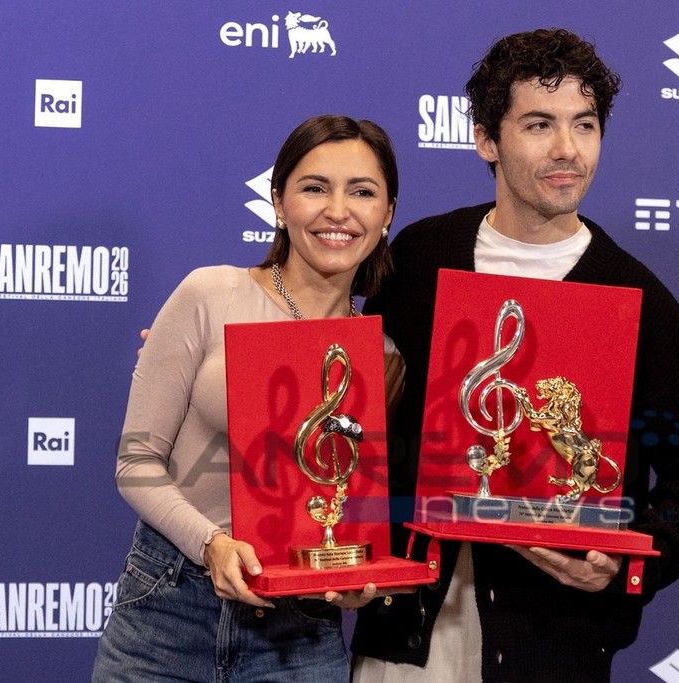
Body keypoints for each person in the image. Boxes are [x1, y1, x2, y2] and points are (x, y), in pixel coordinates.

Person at [349, 29, 679, 682]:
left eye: (584, 125)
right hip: (405, 637)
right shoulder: (420, 258)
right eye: (539, 124)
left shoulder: (635, 296)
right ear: (486, 139)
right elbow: (357, 404)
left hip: (551, 648)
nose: (567, 149)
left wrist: (631, 560)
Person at [93, 114, 402, 683]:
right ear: (279, 202)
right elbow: (135, 462)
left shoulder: (382, 355)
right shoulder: (210, 294)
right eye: (315, 188)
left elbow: (354, 504)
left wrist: (359, 573)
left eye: (362, 192)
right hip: (167, 615)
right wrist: (211, 544)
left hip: (302, 635)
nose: (338, 211)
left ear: (387, 215)